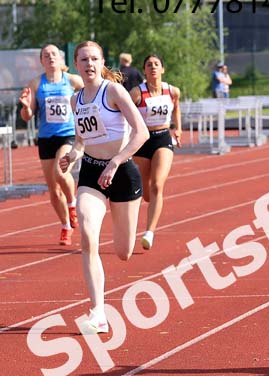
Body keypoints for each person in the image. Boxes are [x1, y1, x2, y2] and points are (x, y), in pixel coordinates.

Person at [59, 41, 149, 334]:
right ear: (76, 64)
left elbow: (142, 132)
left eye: (94, 58)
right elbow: (81, 141)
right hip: (92, 174)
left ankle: (123, 226)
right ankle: (98, 311)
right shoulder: (75, 100)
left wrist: (116, 161)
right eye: (83, 59)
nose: (89, 64)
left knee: (124, 252)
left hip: (122, 173)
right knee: (87, 233)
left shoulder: (113, 91)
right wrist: (72, 155)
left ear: (101, 62)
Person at [18, 44, 84, 245]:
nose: (50, 57)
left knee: (60, 171)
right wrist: (26, 107)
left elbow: (91, 97)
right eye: (46, 55)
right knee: (53, 190)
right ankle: (65, 226)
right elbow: (27, 116)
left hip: (68, 135)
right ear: (41, 61)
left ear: (61, 59)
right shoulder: (37, 83)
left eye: (54, 54)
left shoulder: (73, 81)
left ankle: (72, 204)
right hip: (46, 138)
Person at [129, 54, 182, 251]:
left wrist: (177, 128)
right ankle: (152, 202)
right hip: (143, 142)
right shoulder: (136, 93)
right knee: (147, 192)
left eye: (156, 64)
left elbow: (176, 107)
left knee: (158, 186)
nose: (153, 67)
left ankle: (149, 232)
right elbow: (123, 111)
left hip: (162, 139)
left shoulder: (172, 91)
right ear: (144, 70)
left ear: (162, 69)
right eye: (149, 65)